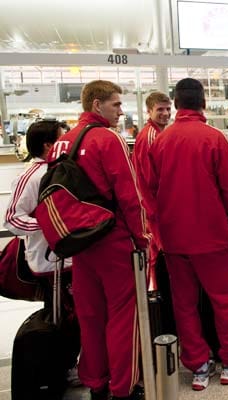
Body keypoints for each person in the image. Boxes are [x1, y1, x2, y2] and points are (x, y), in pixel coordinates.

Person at [47, 80, 149, 400]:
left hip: (79, 241)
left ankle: (95, 381)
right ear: (97, 105)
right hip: (113, 239)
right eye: (116, 104)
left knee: (90, 314)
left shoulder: (62, 142)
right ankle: (124, 385)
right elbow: (129, 195)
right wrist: (141, 236)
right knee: (123, 314)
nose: (121, 111)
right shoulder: (108, 139)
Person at [147, 78, 228, 391]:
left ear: (176, 104)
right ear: (203, 101)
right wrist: (220, 214)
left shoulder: (160, 141)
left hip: (175, 239)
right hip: (213, 236)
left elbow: (150, 190)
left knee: (184, 304)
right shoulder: (214, 138)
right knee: (225, 299)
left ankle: (199, 366)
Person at [4, 120, 81, 387]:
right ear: (49, 145)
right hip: (50, 263)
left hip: (68, 257)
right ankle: (66, 367)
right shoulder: (32, 176)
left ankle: (69, 364)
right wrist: (49, 223)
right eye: (62, 139)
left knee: (77, 314)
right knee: (64, 316)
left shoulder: (59, 170)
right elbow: (12, 218)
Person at [132, 91, 171, 270]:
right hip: (155, 207)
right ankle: (163, 290)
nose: (165, 113)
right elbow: (150, 179)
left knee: (157, 251)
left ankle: (160, 288)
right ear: (149, 111)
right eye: (160, 109)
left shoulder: (158, 133)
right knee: (164, 252)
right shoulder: (151, 137)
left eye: (168, 109)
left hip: (154, 206)